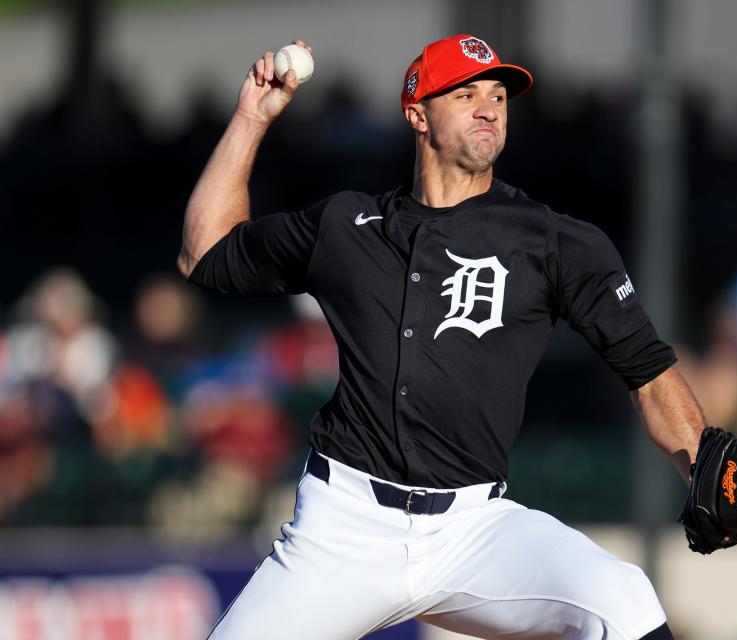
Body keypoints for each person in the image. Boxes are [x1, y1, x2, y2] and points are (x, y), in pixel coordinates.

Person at [179, 34, 705, 640]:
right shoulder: (347, 226)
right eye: (467, 93)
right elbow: (205, 252)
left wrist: (703, 472)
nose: (489, 108)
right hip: (343, 529)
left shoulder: (553, 240)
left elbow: (647, 369)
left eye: (499, 96)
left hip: (473, 530)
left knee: (625, 600)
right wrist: (251, 116)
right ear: (417, 113)